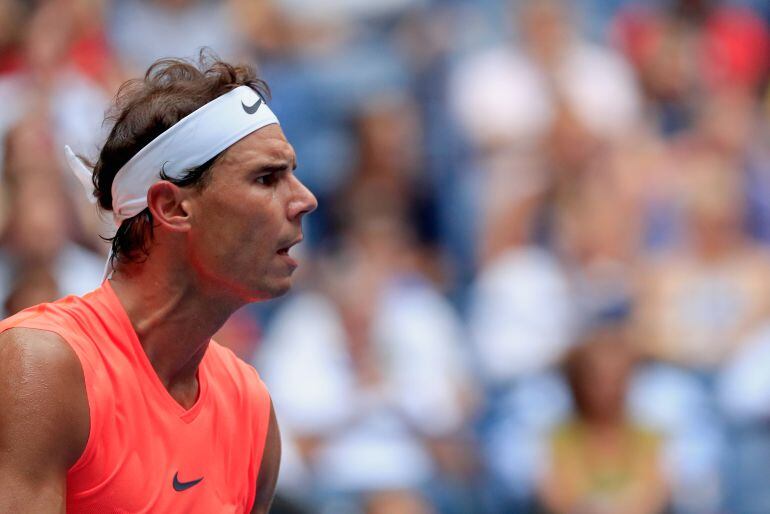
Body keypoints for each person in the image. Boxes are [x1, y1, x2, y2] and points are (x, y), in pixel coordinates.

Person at [0, 54, 317, 513]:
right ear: (172, 207)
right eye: (266, 178)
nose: (304, 199)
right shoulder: (43, 368)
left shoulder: (252, 409)